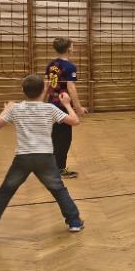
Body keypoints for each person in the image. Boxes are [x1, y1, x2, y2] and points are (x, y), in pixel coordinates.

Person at [0, 74, 85, 239]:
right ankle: (74, 221)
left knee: (5, 192)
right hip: (45, 157)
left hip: (23, 158)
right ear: (44, 89)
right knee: (58, 190)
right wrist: (67, 104)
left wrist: (6, 109)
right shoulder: (50, 108)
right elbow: (75, 121)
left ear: (23, 90)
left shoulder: (16, 109)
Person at [45, 36, 88, 178]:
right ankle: (59, 169)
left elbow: (46, 85)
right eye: (72, 45)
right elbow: (71, 87)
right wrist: (78, 108)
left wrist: (43, 103)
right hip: (63, 105)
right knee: (63, 139)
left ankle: (52, 166)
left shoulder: (51, 65)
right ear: (69, 49)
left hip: (52, 103)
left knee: (56, 137)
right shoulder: (70, 67)